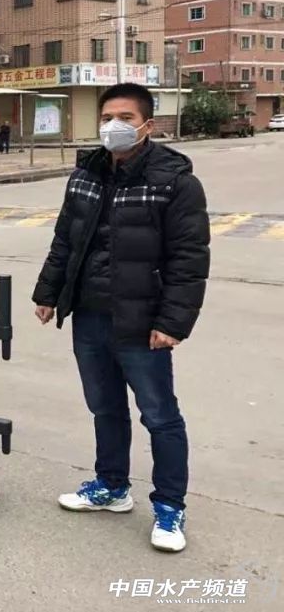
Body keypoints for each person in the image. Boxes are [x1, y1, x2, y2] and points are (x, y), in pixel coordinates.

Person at [32, 83, 209, 553]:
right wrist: (48, 293)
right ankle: (111, 485)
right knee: (104, 407)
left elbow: (189, 260)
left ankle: (169, 506)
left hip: (141, 322)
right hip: (90, 315)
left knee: (160, 416)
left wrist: (172, 323)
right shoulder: (85, 175)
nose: (114, 125)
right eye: (107, 117)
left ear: (147, 124)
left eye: (125, 118)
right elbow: (65, 240)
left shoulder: (175, 182)